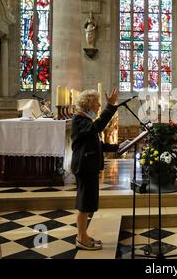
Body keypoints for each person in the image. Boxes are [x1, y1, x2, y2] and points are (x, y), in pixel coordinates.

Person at [71, 88, 120, 250]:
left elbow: (97, 144)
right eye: (97, 103)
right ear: (89, 105)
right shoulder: (79, 120)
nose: (99, 105)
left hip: (89, 166)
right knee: (83, 204)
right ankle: (81, 238)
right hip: (84, 167)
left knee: (87, 203)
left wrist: (118, 147)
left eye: (100, 103)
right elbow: (97, 127)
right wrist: (110, 106)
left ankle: (83, 235)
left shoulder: (86, 121)